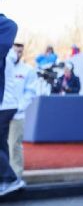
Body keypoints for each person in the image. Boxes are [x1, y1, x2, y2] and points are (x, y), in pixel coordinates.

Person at [0, 0, 24, 196]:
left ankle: (10, 177)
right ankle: (8, 178)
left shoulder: (7, 26)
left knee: (11, 142)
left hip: (8, 105)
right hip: (6, 104)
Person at [5, 43, 36, 178]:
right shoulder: (4, 67)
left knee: (14, 147)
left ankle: (16, 178)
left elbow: (30, 93)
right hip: (2, 114)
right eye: (15, 51)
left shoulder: (28, 70)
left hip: (17, 116)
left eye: (20, 52)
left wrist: (18, 108)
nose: (17, 54)